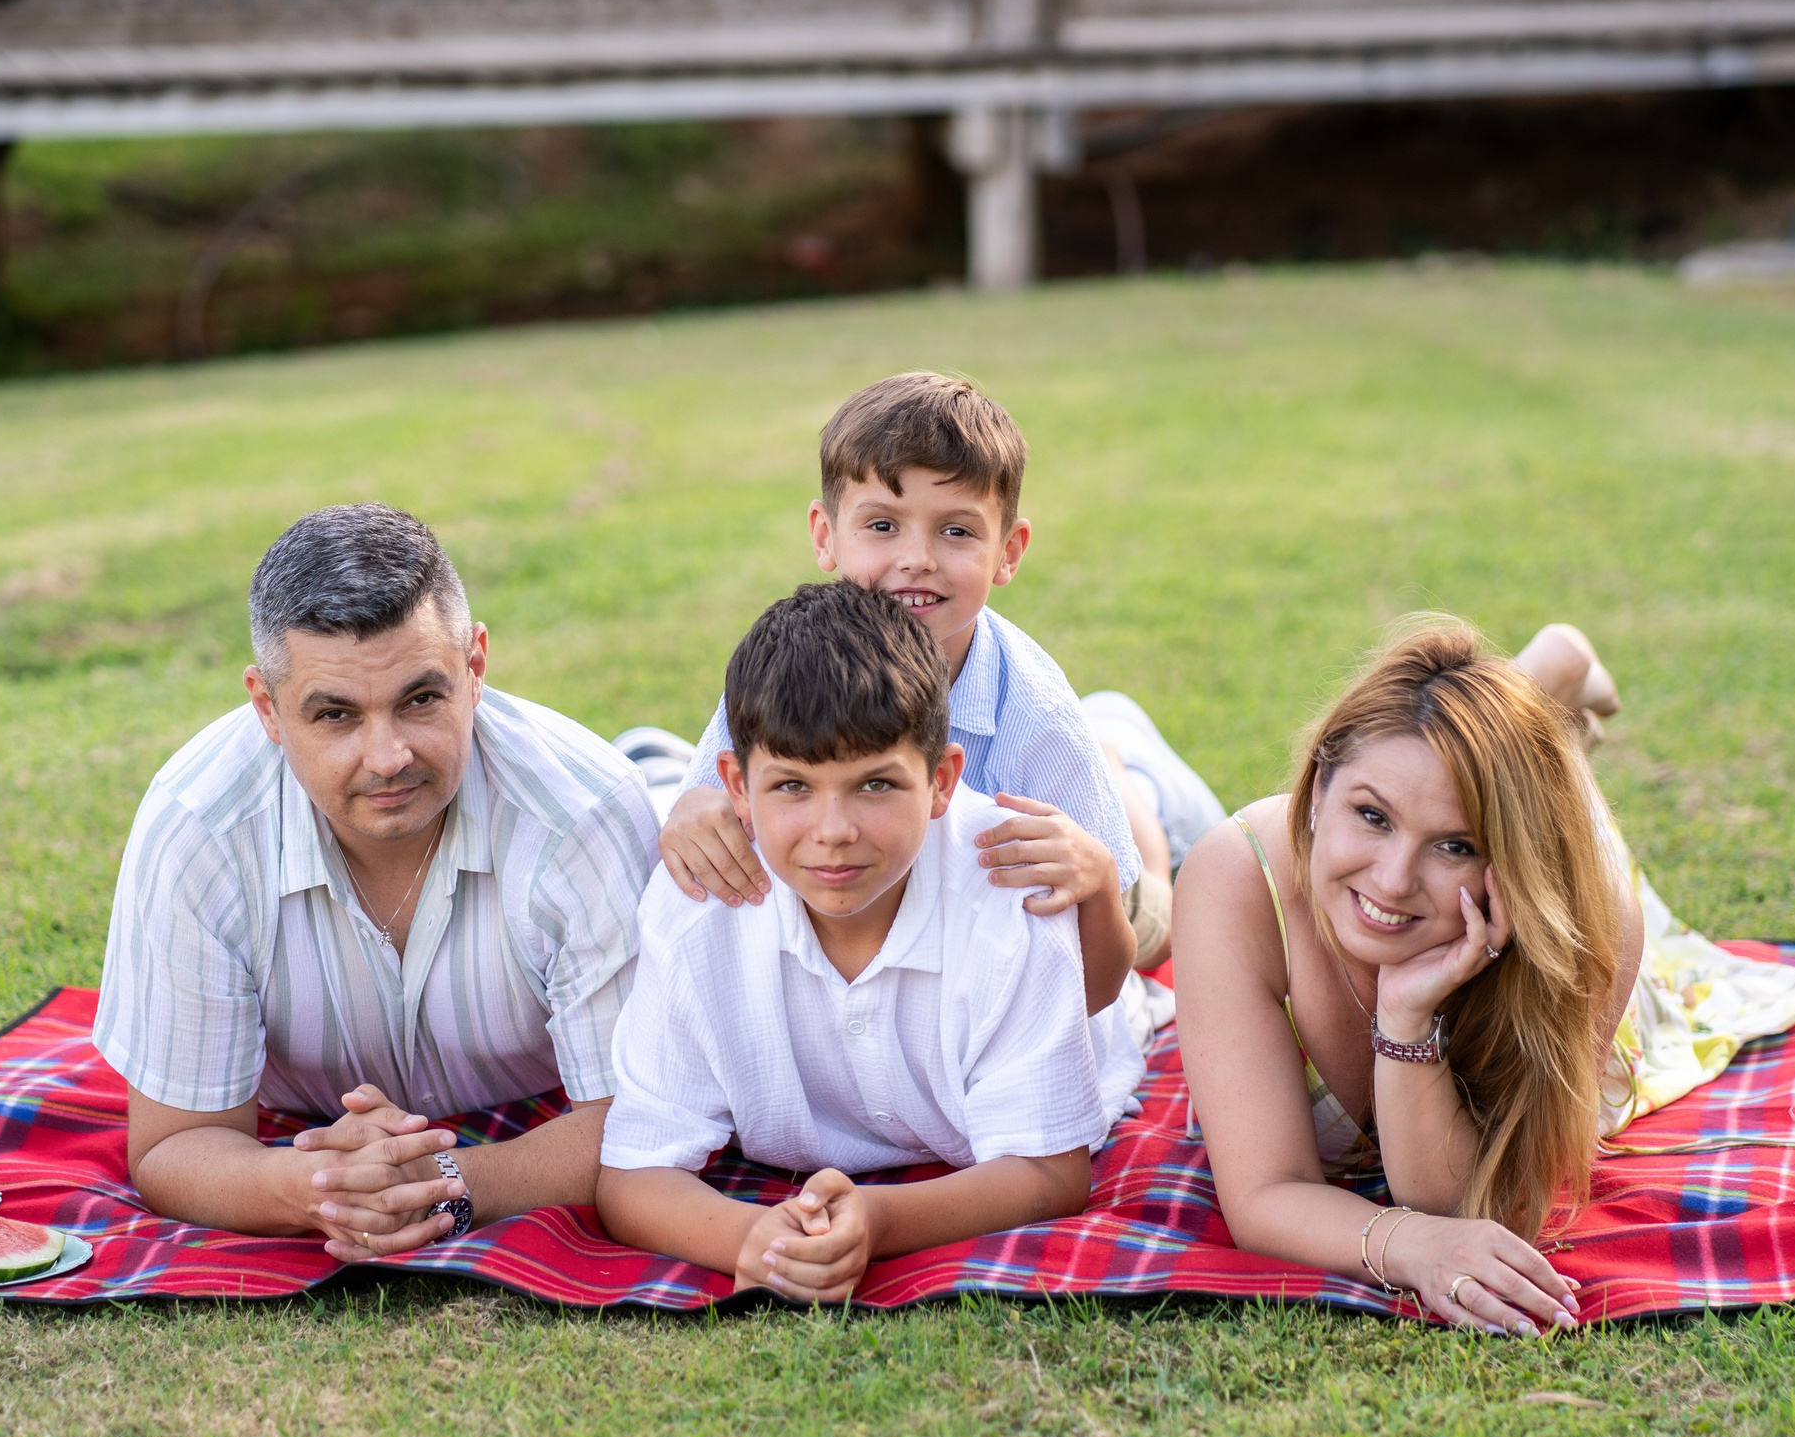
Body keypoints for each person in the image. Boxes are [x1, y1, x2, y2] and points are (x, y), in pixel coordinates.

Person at [1175, 617, 1795, 1337]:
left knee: (1539, 787)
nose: (1392, 881)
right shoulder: (1239, 879)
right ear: (1319, 779)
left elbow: (1485, 1202)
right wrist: (1409, 1247)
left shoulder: (1590, 919)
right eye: (1371, 815)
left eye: (1454, 845)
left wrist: (1405, 1018)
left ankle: (1547, 693)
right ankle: (1547, 670)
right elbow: (1264, 1193)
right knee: (1468, 755)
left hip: (1546, 910)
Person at [94, 504, 658, 1263]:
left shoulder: (584, 815)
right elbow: (173, 1143)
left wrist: (447, 1183)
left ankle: (660, 760)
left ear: (476, 667)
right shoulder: (196, 828)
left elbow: (643, 1115)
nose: (387, 755)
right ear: (266, 707)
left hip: (627, 802)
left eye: (421, 699)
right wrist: (314, 1184)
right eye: (336, 714)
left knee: (673, 811)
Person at [641, 371, 1160, 1110]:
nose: (916, 558)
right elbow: (712, 802)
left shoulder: (1038, 717)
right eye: (883, 525)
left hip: (1063, 902)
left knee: (1156, 916)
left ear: (1008, 550)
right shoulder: (791, 668)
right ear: (827, 536)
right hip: (910, 920)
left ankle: (1129, 764)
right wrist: (691, 804)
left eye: (955, 530)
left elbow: (1097, 976)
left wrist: (1104, 876)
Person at [596, 582, 1107, 1302]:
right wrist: (748, 1238)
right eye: (793, 787)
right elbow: (631, 1172)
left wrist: (879, 1217)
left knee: (1142, 808)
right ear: (737, 789)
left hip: (1112, 1002)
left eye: (874, 785)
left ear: (942, 781)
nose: (834, 830)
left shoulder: (1015, 889)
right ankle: (656, 762)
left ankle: (1122, 743)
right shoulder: (695, 905)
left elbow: (1053, 1171)